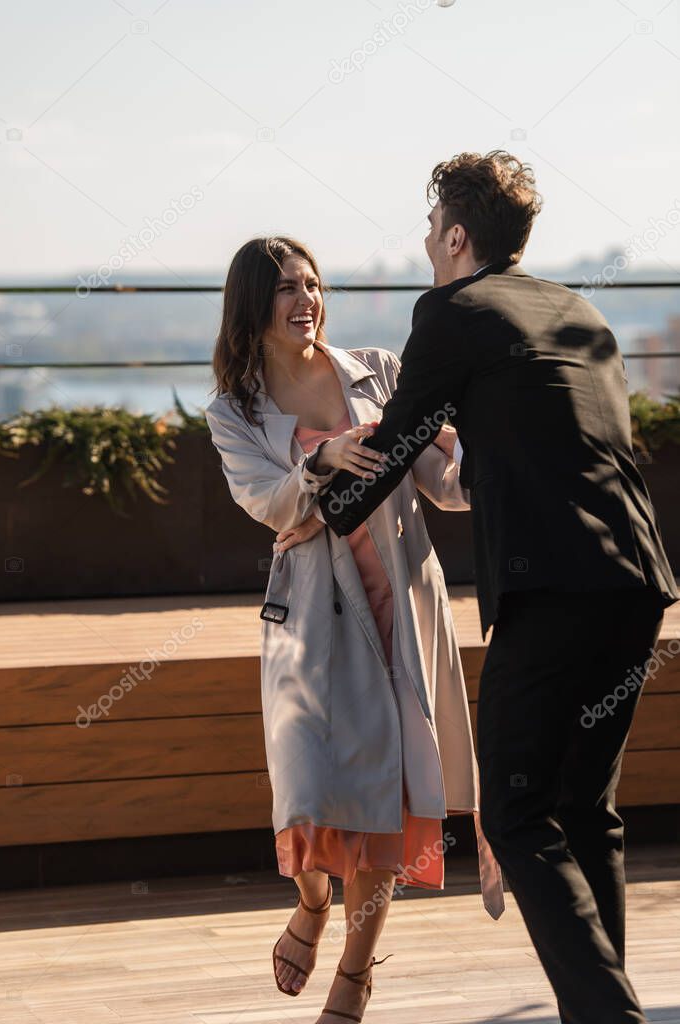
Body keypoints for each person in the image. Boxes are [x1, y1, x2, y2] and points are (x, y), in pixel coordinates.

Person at [316, 150, 679, 1024]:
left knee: (516, 817)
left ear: (454, 235)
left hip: (549, 590)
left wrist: (326, 490)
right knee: (585, 811)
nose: (427, 249)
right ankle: (600, 1006)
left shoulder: (451, 309)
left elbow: (393, 446)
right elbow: (549, 439)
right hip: (636, 584)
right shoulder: (576, 309)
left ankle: (608, 1016)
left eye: (431, 232)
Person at [205, 235, 504, 1024]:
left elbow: (443, 486)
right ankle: (309, 901)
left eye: (311, 284)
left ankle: (355, 974)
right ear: (251, 307)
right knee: (304, 799)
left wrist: (478, 440)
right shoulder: (234, 411)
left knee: (382, 807)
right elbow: (267, 503)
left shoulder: (379, 370)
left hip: (399, 602)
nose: (305, 299)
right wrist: (321, 461)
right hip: (310, 620)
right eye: (285, 289)